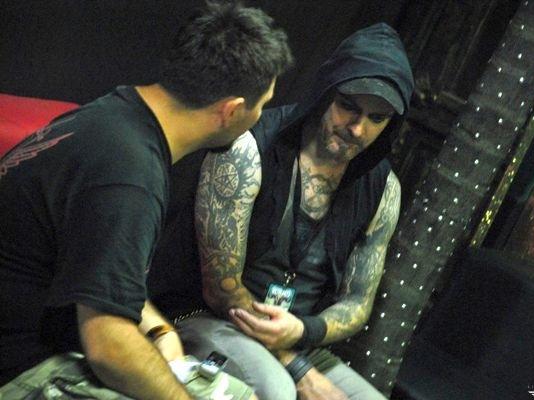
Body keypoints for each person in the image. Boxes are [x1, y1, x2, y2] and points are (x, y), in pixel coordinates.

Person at [0, 2, 292, 399]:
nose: (260, 116)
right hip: (21, 368)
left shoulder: (110, 116)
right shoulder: (130, 176)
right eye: (262, 104)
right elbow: (109, 346)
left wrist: (158, 329)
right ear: (232, 110)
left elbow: (103, 272)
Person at [148, 23, 413, 400]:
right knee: (279, 391)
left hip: (298, 339)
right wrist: (298, 367)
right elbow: (220, 291)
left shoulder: (384, 188)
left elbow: (357, 303)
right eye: (349, 107)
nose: (357, 129)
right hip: (206, 318)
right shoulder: (247, 149)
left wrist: (305, 332)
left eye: (377, 118)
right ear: (327, 92)